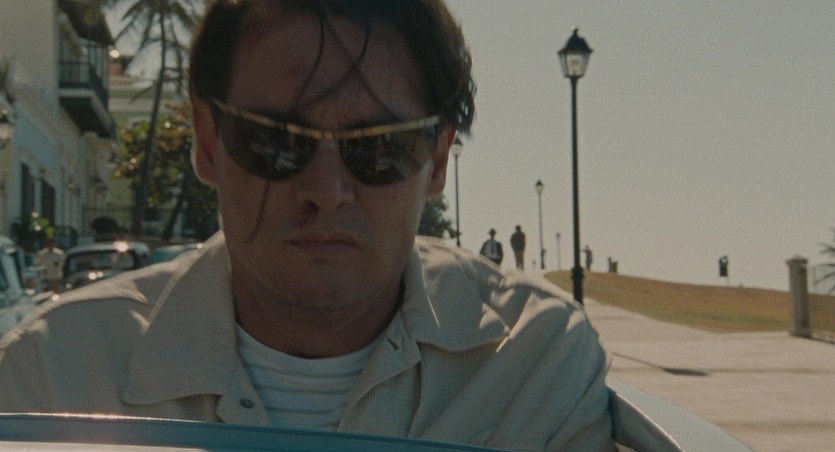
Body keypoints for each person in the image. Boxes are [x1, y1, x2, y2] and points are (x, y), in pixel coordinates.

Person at [0, 1, 613, 450]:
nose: (326, 192)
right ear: (208, 143)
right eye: (275, 141)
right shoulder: (50, 376)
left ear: (437, 160)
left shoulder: (537, 364)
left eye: (379, 147)